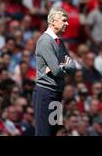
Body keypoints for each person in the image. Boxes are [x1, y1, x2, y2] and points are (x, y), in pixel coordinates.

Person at [33, 7, 76, 136]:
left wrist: (63, 67)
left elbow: (73, 67)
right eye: (64, 20)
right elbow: (57, 71)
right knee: (44, 133)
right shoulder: (45, 41)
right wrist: (64, 66)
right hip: (45, 93)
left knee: (54, 132)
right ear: (53, 21)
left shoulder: (59, 42)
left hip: (56, 93)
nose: (67, 23)